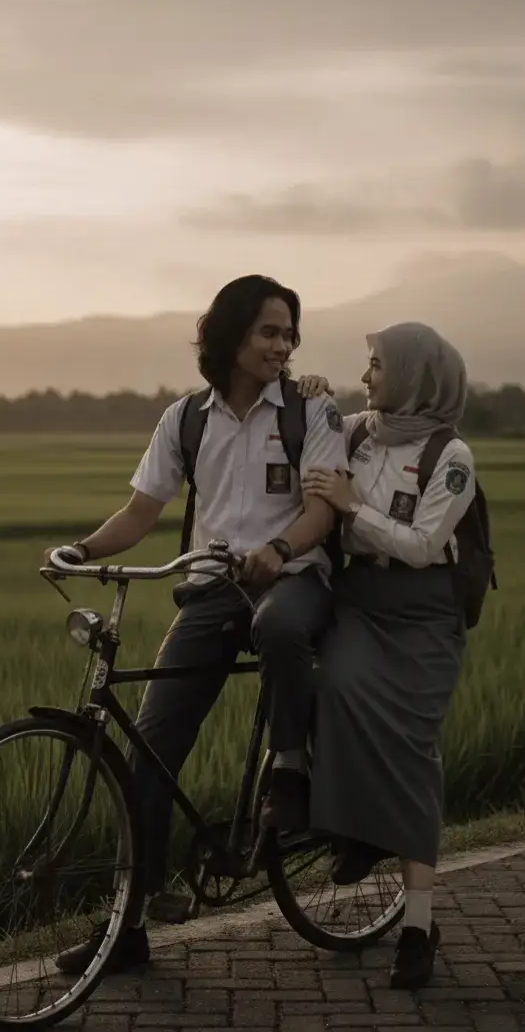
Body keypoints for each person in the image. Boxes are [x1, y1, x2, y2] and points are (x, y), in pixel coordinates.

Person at [45, 274, 348, 976]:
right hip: (213, 592)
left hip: (294, 579)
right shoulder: (186, 419)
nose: (283, 344)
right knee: (148, 752)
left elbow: (323, 510)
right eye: (269, 331)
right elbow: (141, 512)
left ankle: (291, 777)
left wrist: (277, 550)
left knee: (279, 629)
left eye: (289, 333)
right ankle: (128, 927)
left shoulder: (310, 414)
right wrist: (83, 549)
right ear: (230, 335)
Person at [296, 322, 476, 991]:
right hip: (362, 604)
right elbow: (307, 434)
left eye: (376, 365)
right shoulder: (359, 431)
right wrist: (310, 396)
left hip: (424, 614)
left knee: (411, 749)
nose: (367, 377)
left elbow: (425, 544)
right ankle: (359, 830)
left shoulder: (450, 455)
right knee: (337, 686)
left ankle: (418, 927)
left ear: (413, 375)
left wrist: (352, 508)